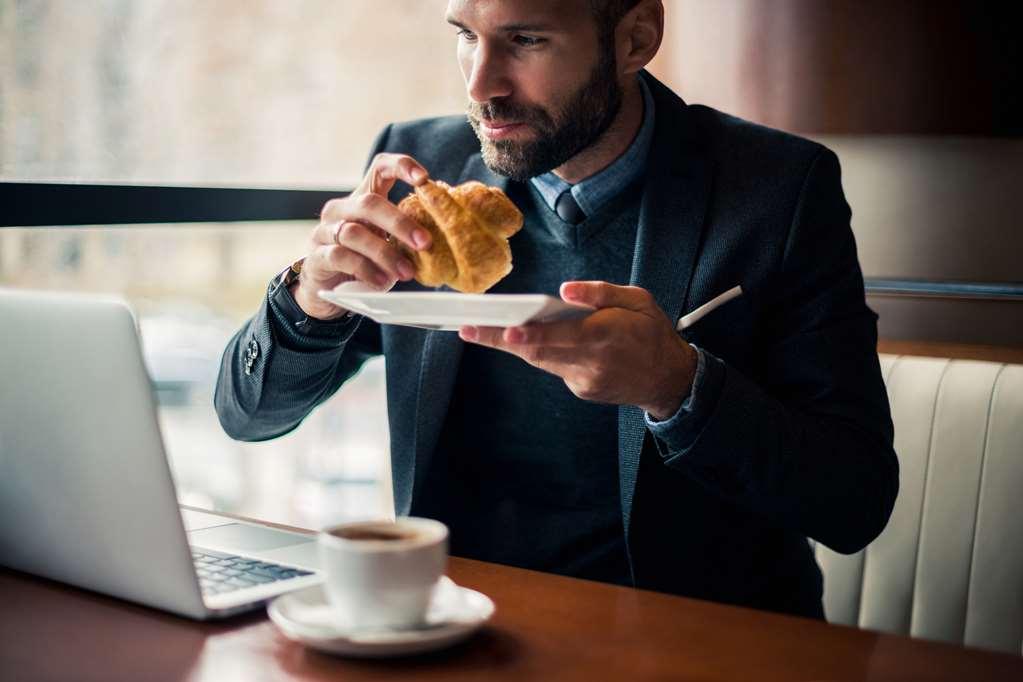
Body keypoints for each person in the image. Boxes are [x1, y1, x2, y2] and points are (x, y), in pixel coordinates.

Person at [215, 0, 898, 619]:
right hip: (452, 625)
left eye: (526, 39)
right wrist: (312, 300)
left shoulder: (775, 189)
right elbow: (248, 415)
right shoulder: (422, 165)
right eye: (465, 36)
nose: (481, 84)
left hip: (691, 638)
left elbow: (853, 499)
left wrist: (678, 387)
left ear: (634, 40)